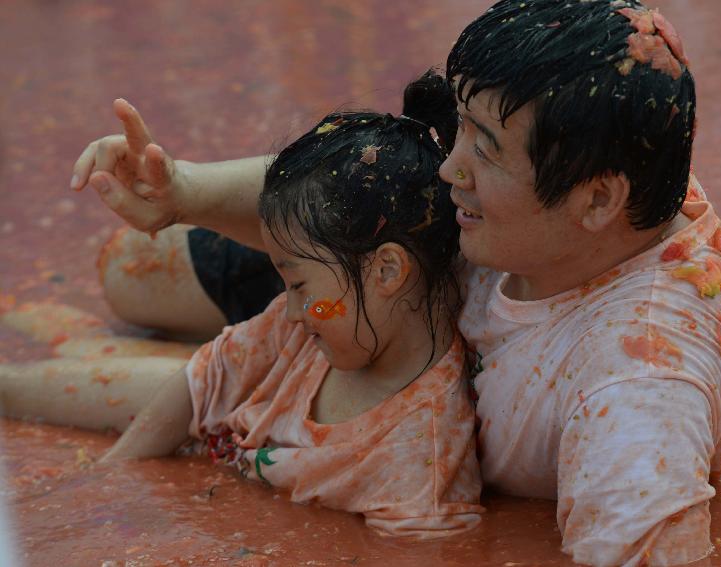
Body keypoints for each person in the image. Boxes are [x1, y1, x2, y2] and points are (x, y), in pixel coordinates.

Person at [71, 1, 721, 564]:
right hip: (395, 282)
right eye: (460, 128)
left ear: (598, 201)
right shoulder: (589, 192)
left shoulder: (636, 390)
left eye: (482, 148)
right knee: (132, 268)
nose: (447, 166)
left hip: (392, 327)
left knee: (172, 342)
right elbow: (369, 186)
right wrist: (182, 190)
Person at [2, 71, 484, 538]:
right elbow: (201, 382)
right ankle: (69, 350)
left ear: (387, 271)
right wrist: (114, 476)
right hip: (218, 425)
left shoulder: (421, 467)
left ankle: (83, 344)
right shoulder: (315, 319)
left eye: (297, 285)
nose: (291, 309)